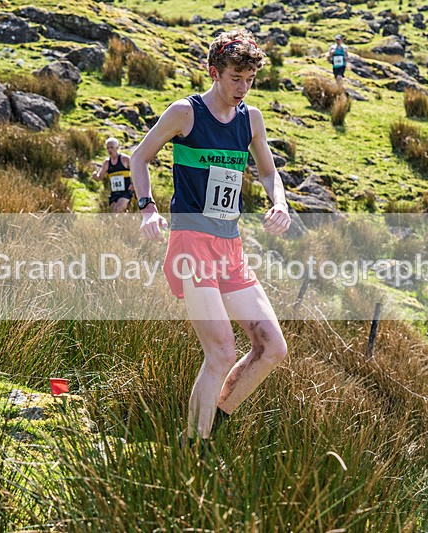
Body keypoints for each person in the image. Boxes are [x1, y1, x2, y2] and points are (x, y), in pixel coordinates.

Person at [130, 28, 291, 447]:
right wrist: (147, 208)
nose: (243, 87)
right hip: (190, 242)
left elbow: (269, 172)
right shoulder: (186, 113)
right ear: (213, 71)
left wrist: (280, 203)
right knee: (220, 352)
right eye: (235, 77)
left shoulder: (250, 119)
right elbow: (140, 157)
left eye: (250, 79)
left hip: (230, 246)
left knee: (272, 347)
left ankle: (211, 424)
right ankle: (193, 448)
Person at [92, 137, 134, 213]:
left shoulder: (125, 159)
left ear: (117, 147)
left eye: (111, 147)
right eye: (107, 148)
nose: (109, 150)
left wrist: (133, 184)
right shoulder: (107, 163)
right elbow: (99, 177)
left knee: (117, 210)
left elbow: (136, 171)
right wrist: (94, 175)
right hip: (114, 193)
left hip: (126, 192)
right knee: (114, 215)